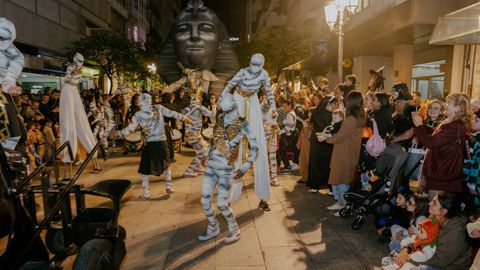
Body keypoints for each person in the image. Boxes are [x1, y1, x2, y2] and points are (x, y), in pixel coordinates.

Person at [198, 93, 257, 244]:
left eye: (224, 108)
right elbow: (214, 140)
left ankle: (235, 230)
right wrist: (205, 154)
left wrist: (244, 168)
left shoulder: (243, 124)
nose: (222, 111)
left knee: (222, 204)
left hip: (225, 168)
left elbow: (255, 148)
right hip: (211, 165)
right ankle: (213, 228)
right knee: (205, 201)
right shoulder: (221, 118)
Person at [221, 53, 275, 210]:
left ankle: (264, 197)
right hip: (238, 101)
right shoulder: (243, 72)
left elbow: (269, 91)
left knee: (260, 148)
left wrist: (273, 107)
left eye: (258, 65)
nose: (255, 67)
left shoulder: (264, 74)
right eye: (253, 63)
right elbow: (230, 85)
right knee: (234, 147)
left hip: (253, 102)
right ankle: (229, 198)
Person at [121, 93, 191, 199]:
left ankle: (146, 193)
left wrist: (119, 133)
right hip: (162, 142)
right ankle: (168, 186)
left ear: (140, 101)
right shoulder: (158, 107)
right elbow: (173, 114)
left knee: (144, 170)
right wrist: (186, 118)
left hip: (150, 144)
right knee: (166, 164)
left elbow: (130, 129)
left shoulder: (138, 114)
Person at [395, 193, 471, 269]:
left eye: (434, 203)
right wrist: (406, 250)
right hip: (427, 255)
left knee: (419, 267)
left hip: (447, 266)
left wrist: (409, 257)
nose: (429, 203)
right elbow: (420, 239)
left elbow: (438, 261)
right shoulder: (435, 218)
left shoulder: (455, 235)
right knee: (395, 245)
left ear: (443, 211)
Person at [412, 93, 470, 195]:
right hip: (442, 172)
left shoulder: (454, 127)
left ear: (457, 108)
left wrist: (419, 126)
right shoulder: (452, 123)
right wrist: (424, 127)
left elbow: (432, 143)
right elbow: (439, 137)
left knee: (435, 205)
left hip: (442, 175)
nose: (445, 104)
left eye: (448, 103)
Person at [325, 91, 364, 215]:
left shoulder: (351, 119)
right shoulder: (356, 117)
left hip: (345, 153)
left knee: (341, 180)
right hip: (346, 151)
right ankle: (340, 203)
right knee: (338, 178)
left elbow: (339, 136)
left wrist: (327, 138)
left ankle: (346, 206)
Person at [59, 53, 100, 170]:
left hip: (74, 90)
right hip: (68, 89)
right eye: (79, 61)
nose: (80, 63)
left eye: (82, 61)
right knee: (68, 121)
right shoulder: (72, 66)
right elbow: (67, 78)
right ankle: (68, 158)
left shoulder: (79, 68)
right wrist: (72, 72)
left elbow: (78, 80)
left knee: (81, 119)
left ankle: (93, 157)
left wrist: (88, 78)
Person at [0, 17, 26, 148]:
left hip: (2, 95)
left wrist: (9, 86)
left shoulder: (16, 55)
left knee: (12, 131)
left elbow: (10, 75)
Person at [306, 95, 338, 193]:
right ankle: (315, 185)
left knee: (328, 164)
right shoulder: (317, 112)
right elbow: (321, 126)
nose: (336, 106)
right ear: (328, 103)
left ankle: (329, 186)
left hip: (328, 142)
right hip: (318, 141)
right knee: (316, 162)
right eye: (334, 104)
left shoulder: (333, 113)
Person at [183, 96, 215, 177]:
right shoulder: (200, 108)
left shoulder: (186, 109)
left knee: (206, 148)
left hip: (190, 135)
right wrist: (214, 105)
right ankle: (189, 170)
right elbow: (212, 114)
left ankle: (198, 167)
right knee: (201, 153)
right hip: (196, 135)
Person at [261, 95, 279, 187]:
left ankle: (274, 177)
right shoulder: (262, 107)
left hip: (273, 134)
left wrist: (276, 127)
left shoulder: (273, 106)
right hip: (264, 136)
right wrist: (268, 127)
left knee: (273, 157)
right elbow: (260, 122)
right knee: (263, 157)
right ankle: (263, 177)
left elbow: (274, 120)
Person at [278, 99, 298, 173]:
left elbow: (288, 127)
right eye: (283, 106)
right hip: (289, 135)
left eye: (285, 106)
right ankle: (288, 165)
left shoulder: (290, 114)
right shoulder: (291, 113)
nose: (284, 108)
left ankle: (287, 166)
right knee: (284, 151)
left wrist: (280, 132)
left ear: (290, 105)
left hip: (288, 136)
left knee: (283, 151)